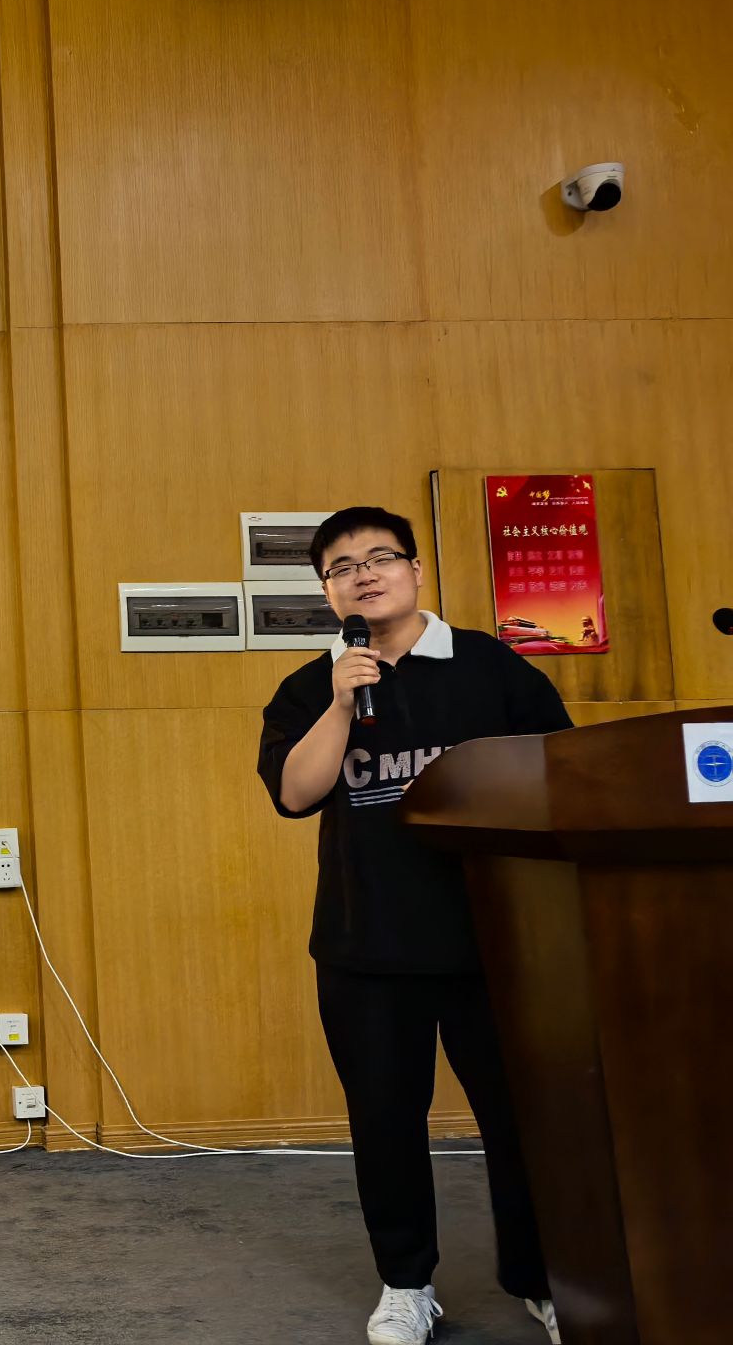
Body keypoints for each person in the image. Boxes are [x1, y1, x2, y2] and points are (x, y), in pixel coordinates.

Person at [256, 507, 571, 1345]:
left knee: (522, 1120)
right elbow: (294, 794)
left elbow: (563, 773)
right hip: (367, 943)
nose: (364, 573)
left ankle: (542, 1280)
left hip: (492, 941)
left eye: (381, 557)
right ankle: (406, 1283)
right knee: (386, 1123)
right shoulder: (310, 687)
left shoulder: (490, 667)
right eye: (342, 566)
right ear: (327, 591)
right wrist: (340, 700)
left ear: (416, 570)